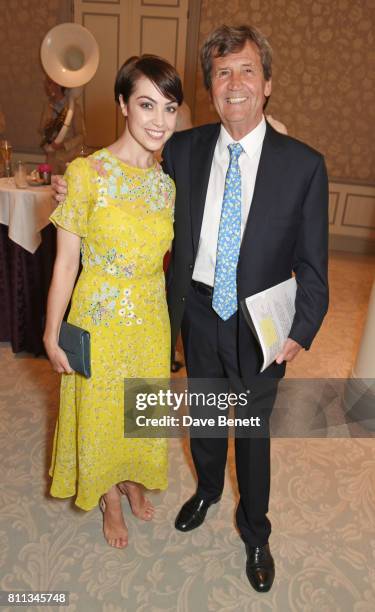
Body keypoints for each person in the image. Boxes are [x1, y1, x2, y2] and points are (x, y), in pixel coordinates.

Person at [53, 24, 329, 592]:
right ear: (210, 87)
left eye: (247, 70)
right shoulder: (182, 147)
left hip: (260, 323)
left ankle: (256, 531)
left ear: (268, 82)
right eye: (222, 72)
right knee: (204, 418)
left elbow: (315, 266)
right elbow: (124, 180)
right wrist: (70, 191)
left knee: (250, 434)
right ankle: (206, 490)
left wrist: (302, 330)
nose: (234, 83)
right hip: (195, 312)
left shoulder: (303, 165)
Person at [44, 55, 183, 549]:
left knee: (138, 411)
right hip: (98, 319)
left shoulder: (168, 186)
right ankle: (108, 497)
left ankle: (129, 478)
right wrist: (50, 331)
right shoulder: (86, 174)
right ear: (123, 103)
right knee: (101, 413)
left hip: (149, 320)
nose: (159, 121)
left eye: (169, 108)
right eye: (147, 105)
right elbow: (65, 264)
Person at [39, 76, 86, 173]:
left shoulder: (74, 108)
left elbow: (81, 136)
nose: (47, 86)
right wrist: (46, 130)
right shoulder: (47, 106)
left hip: (68, 161)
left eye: (50, 83)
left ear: (59, 85)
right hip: (51, 160)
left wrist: (63, 145)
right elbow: (42, 131)